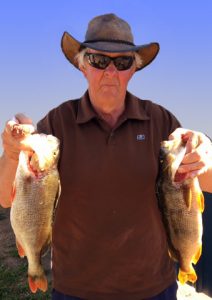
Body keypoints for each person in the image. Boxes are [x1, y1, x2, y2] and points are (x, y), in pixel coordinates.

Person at [0, 13, 212, 300]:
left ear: (134, 69)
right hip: (76, 290)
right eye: (99, 61)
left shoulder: (160, 120)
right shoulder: (57, 123)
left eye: (122, 62)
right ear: (82, 66)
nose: (110, 72)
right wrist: (12, 153)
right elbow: (6, 197)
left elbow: (205, 183)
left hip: (153, 288)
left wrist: (205, 154)